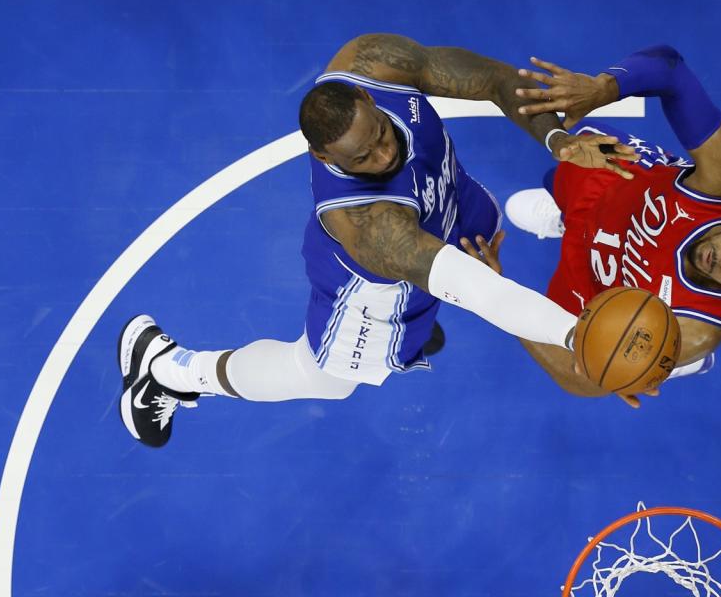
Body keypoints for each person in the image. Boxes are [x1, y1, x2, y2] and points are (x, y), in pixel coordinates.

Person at [117, 33, 641, 447]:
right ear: (327, 159)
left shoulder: (371, 62)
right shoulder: (367, 222)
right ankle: (173, 370)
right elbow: (484, 293)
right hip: (376, 290)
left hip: (447, 209)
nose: (383, 156)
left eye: (383, 137)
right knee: (328, 378)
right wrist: (578, 336)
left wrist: (560, 140)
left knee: (480, 230)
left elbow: (495, 81)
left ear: (367, 95)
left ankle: (421, 322)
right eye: (362, 158)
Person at [502, 46, 721, 406]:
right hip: (616, 181)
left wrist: (502, 296)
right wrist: (602, 88)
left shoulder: (697, 330)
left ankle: (670, 362)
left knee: (595, 348)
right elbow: (669, 69)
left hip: (597, 284)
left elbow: (580, 380)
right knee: (565, 163)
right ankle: (564, 215)